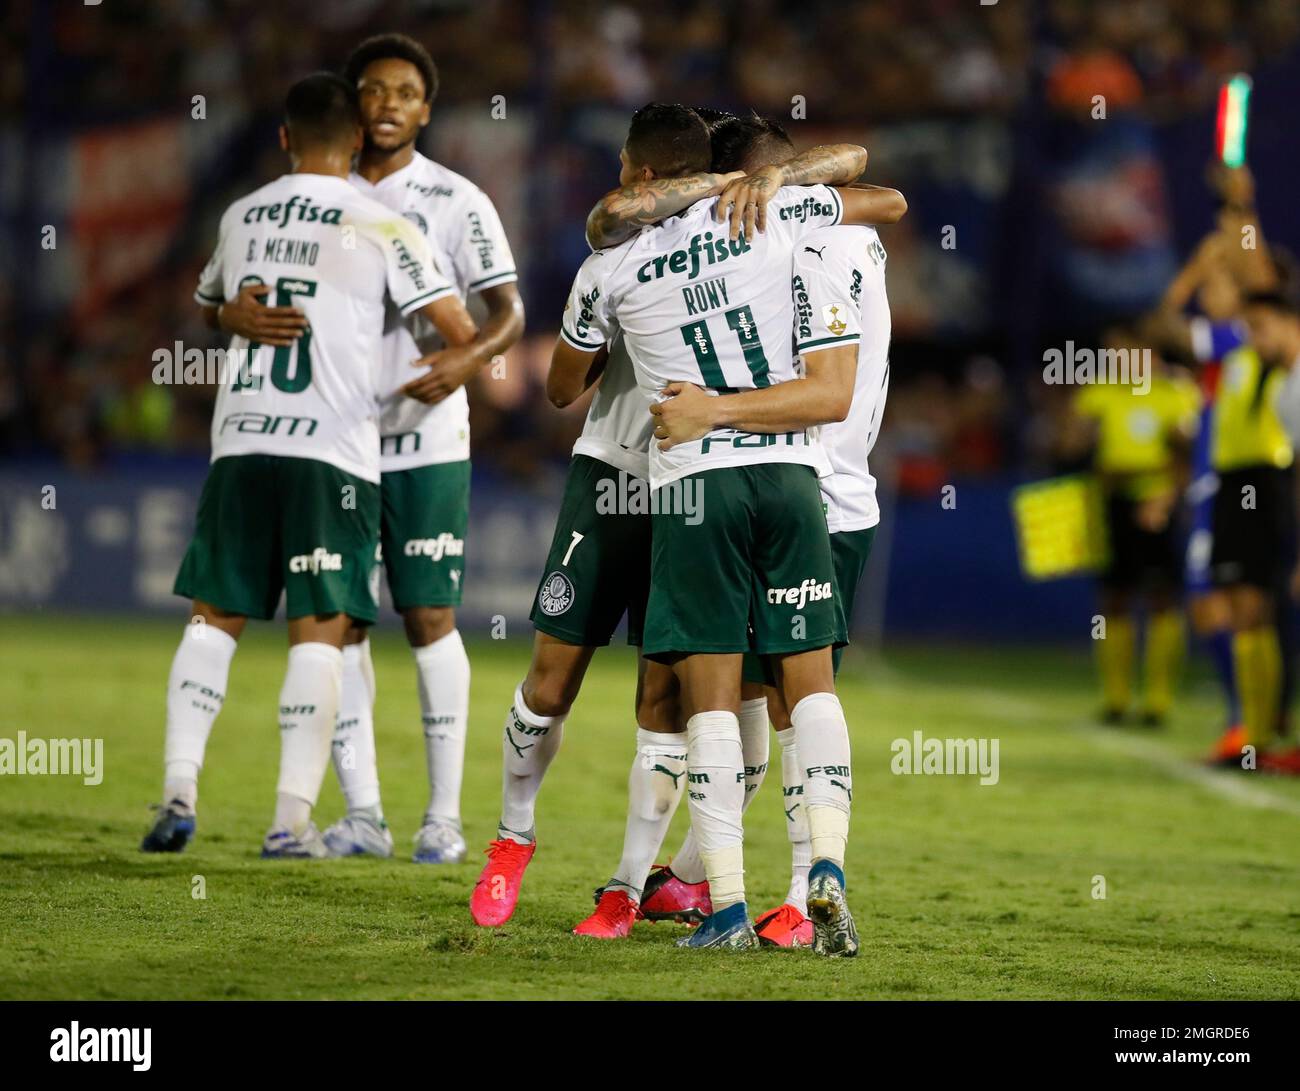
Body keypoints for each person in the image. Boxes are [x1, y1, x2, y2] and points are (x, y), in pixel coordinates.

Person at [467, 107, 869, 937]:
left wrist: (762, 184)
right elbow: (562, 386)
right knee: (554, 679)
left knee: (673, 694)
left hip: (689, 478)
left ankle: (632, 886)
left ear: (638, 171)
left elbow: (871, 189)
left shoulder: (716, 223)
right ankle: (513, 838)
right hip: (623, 471)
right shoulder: (641, 245)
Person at [577, 112, 903, 948]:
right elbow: (885, 190)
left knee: (726, 694)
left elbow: (607, 225)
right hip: (829, 490)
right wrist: (786, 183)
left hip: (747, 471)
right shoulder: (837, 225)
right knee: (790, 693)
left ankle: (746, 896)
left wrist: (712, 411)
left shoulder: (754, 233)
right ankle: (782, 878)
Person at [142, 72, 477, 857]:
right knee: (320, 633)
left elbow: (208, 303)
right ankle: (290, 820)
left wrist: (229, 316)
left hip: (243, 442)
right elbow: (458, 327)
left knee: (212, 619)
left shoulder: (243, 213)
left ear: (285, 138)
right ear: (356, 141)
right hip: (332, 452)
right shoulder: (382, 222)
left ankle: (178, 789)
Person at [214, 34, 526, 863]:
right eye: (373, 90)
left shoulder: (457, 200)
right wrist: (226, 315)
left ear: (426, 109)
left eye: (404, 92)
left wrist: (462, 360)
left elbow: (509, 312)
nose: (388, 103)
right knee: (340, 625)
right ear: (352, 108)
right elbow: (226, 291)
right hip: (334, 443)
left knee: (428, 614)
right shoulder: (309, 198)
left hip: (425, 439)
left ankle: (446, 818)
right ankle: (364, 813)